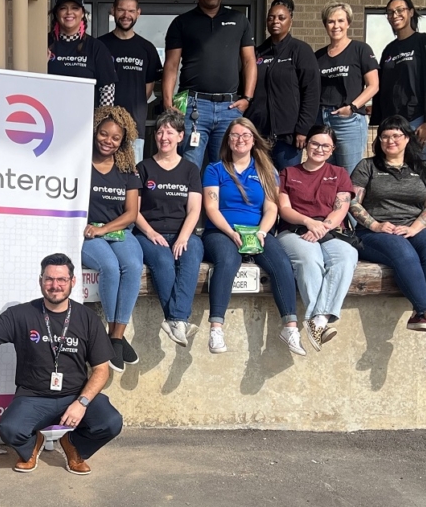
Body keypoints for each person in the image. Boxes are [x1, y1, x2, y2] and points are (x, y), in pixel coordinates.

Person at [0, 253, 122, 475]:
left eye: (61, 280)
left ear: (73, 282)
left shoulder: (87, 318)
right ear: (40, 281)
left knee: (111, 422)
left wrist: (82, 403)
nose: (55, 285)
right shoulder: (21, 315)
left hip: (75, 394)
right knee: (10, 430)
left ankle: (74, 446)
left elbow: (101, 370)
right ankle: (32, 445)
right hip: (33, 396)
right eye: (49, 279)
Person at [349, 116, 426, 348]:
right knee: (404, 253)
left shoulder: (422, 167)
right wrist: (375, 225)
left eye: (396, 135)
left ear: (407, 138)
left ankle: (419, 313)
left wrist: (416, 227)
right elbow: (353, 203)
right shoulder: (367, 166)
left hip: (411, 227)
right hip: (373, 232)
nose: (390, 140)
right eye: (385, 136)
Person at [202, 117, 302, 355]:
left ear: (254, 140)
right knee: (227, 261)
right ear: (228, 140)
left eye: (246, 135)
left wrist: (261, 232)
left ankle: (290, 326)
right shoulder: (215, 169)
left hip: (257, 231)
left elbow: (271, 208)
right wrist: (231, 232)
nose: (240, 140)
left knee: (280, 262)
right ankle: (216, 327)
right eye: (235, 135)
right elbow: (211, 207)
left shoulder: (267, 170)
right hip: (222, 231)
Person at [163, 0, 256, 169]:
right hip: (191, 104)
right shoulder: (182, 22)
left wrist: (247, 98)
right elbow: (171, 65)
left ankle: (218, 203)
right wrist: (169, 103)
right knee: (189, 166)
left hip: (229, 107)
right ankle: (191, 203)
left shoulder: (239, 20)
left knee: (227, 168)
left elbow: (249, 61)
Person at [276, 125, 358, 350]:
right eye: (315, 143)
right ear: (306, 144)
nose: (319, 149)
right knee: (310, 258)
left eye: (325, 146)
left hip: (329, 231)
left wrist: (322, 227)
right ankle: (317, 318)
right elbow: (284, 208)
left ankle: (318, 320)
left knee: (347, 255)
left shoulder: (339, 173)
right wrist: (308, 222)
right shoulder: (288, 173)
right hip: (294, 231)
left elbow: (341, 207)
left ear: (332, 150)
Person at [134, 110, 204, 347]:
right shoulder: (143, 167)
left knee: (192, 252)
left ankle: (175, 320)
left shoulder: (190, 170)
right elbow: (134, 209)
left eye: (170, 132)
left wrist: (183, 237)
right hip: (149, 231)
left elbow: (194, 209)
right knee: (163, 261)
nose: (164, 136)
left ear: (180, 137)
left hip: (181, 231)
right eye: (160, 131)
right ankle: (179, 320)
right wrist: (151, 233)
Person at [82, 106, 142, 372]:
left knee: (132, 266)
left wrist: (104, 229)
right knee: (109, 267)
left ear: (123, 140)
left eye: (115, 138)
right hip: (86, 233)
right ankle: (114, 334)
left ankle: (115, 337)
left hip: (115, 230)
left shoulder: (127, 169)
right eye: (103, 134)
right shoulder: (81, 162)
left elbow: (131, 214)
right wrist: (91, 229)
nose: (108, 141)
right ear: (95, 132)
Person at [246, 0, 320, 170]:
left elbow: (311, 91)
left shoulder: (301, 50)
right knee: (260, 184)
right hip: (259, 134)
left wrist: (303, 129)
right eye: (271, 18)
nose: (275, 22)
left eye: (281, 18)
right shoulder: (258, 52)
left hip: (288, 136)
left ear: (290, 22)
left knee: (286, 186)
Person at [370, 0, 426, 161]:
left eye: (400, 10)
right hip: (392, 123)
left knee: (417, 171)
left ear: (411, 12)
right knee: (391, 171)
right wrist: (381, 127)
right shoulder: (389, 50)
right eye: (390, 12)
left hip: (417, 120)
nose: (394, 15)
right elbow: (384, 89)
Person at [315, 1, 379, 174]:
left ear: (348, 23)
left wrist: (352, 107)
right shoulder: (318, 56)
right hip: (322, 120)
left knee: (350, 176)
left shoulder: (360, 49)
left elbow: (373, 85)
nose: (336, 26)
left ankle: (351, 203)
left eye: (340, 21)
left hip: (348, 121)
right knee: (326, 175)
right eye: (331, 21)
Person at [98, 0, 162, 161]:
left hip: (134, 127)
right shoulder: (99, 46)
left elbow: (148, 89)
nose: (126, 15)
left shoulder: (147, 49)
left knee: (130, 175)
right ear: (113, 11)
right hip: (102, 127)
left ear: (138, 13)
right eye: (121, 10)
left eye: (131, 11)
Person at [47, 0, 117, 108]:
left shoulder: (96, 48)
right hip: (47, 120)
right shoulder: (43, 43)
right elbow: (29, 82)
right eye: (63, 8)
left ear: (82, 13)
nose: (69, 12)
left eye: (75, 8)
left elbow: (107, 89)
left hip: (85, 122)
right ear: (57, 13)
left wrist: (101, 121)